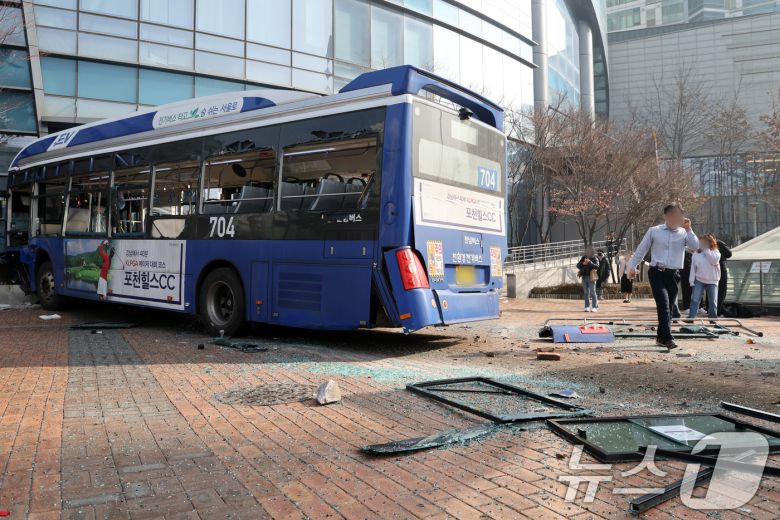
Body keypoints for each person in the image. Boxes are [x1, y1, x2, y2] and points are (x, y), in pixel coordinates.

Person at [629, 203, 698, 349]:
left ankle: (660, 337)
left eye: (677, 215)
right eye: (671, 214)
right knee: (664, 305)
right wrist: (632, 266)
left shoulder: (684, 233)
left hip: (673, 274)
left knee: (669, 308)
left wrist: (689, 229)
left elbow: (695, 247)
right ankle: (667, 338)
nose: (674, 218)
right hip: (657, 273)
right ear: (665, 216)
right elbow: (642, 249)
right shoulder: (654, 231)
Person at [688, 234, 721, 319]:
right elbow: (693, 268)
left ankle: (713, 318)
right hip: (699, 279)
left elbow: (714, 261)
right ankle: (691, 317)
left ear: (710, 242)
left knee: (712, 301)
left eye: (704, 242)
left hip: (712, 280)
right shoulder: (696, 254)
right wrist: (691, 281)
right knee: (695, 299)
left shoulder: (716, 252)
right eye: (700, 242)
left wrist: (706, 250)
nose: (701, 244)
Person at [577, 246, 600, 312]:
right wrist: (583, 263)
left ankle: (594, 307)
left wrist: (590, 262)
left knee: (593, 292)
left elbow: (597, 266)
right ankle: (587, 306)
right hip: (584, 276)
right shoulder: (584, 257)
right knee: (586, 292)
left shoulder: (595, 258)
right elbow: (578, 265)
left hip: (591, 277)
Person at [716, 239, 732, 316]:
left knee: (711, 290)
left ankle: (711, 309)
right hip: (721, 269)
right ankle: (718, 310)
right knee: (721, 290)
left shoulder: (706, 244)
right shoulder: (719, 243)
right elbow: (729, 254)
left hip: (710, 271)